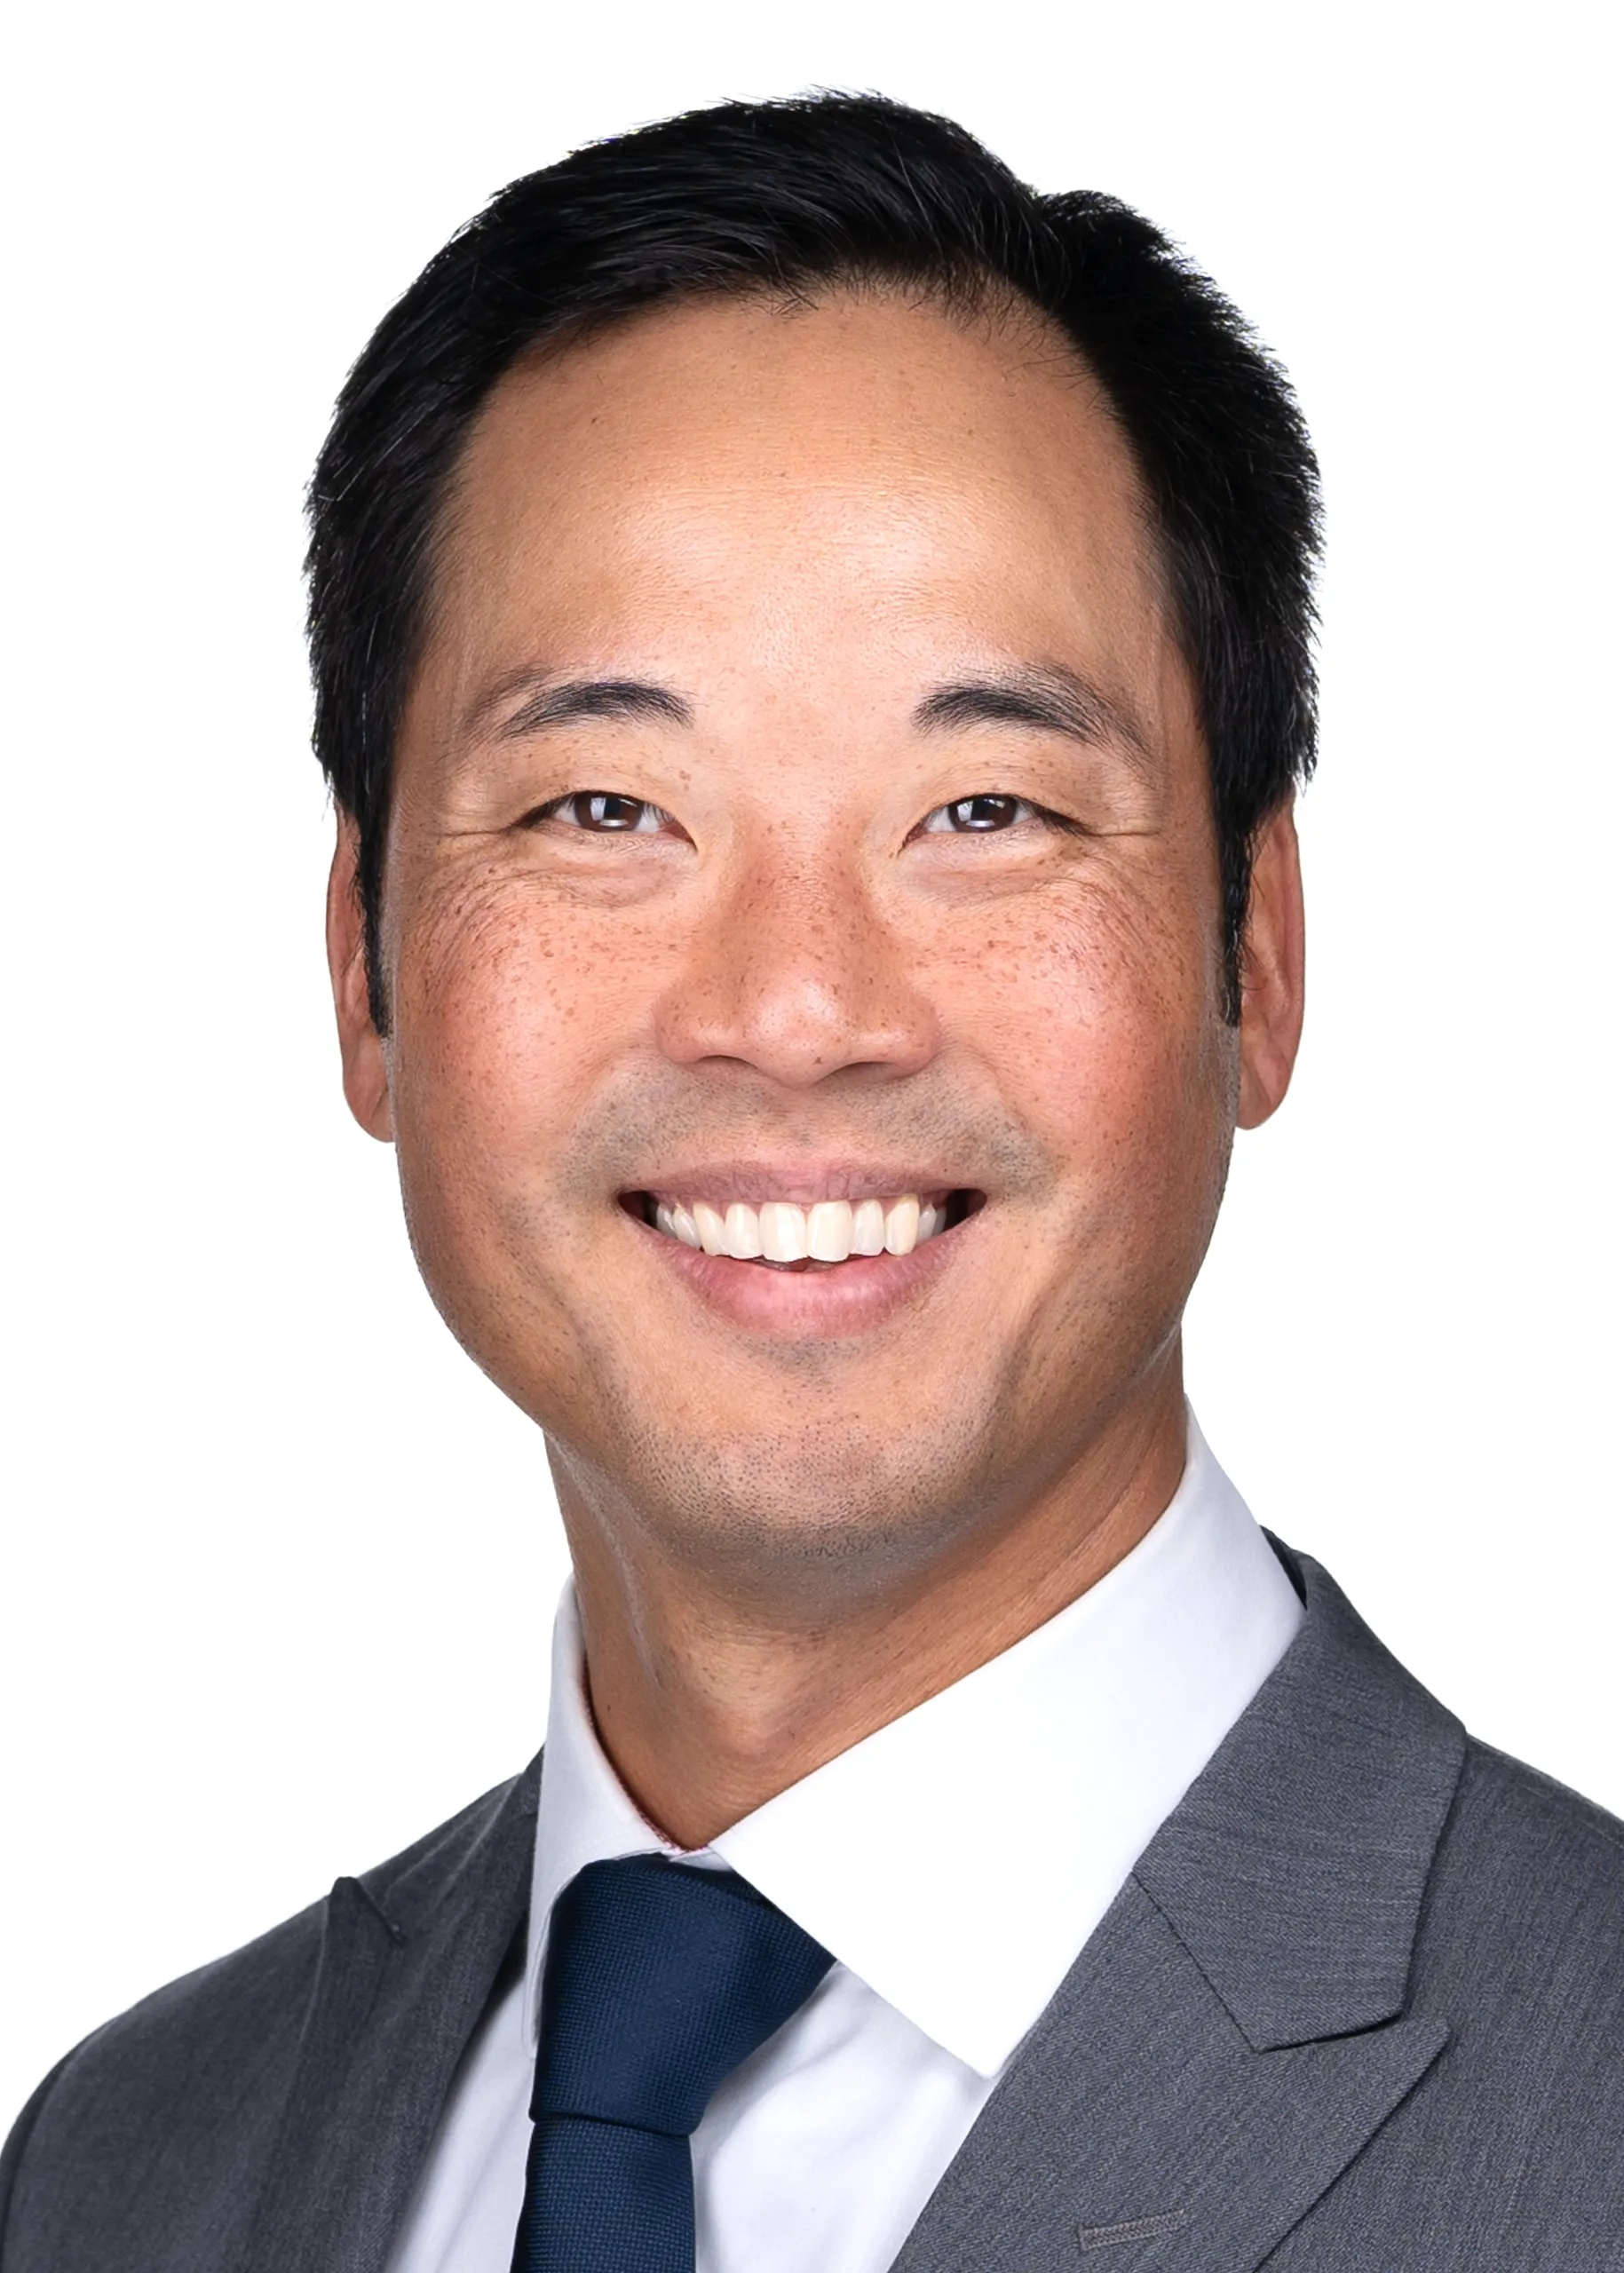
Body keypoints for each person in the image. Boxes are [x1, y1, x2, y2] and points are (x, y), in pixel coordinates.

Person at [3, 90, 1620, 2273]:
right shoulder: (126, 2161)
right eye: (600, 807)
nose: (791, 1003)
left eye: (982, 809)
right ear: (366, 973)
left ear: (1254, 950)